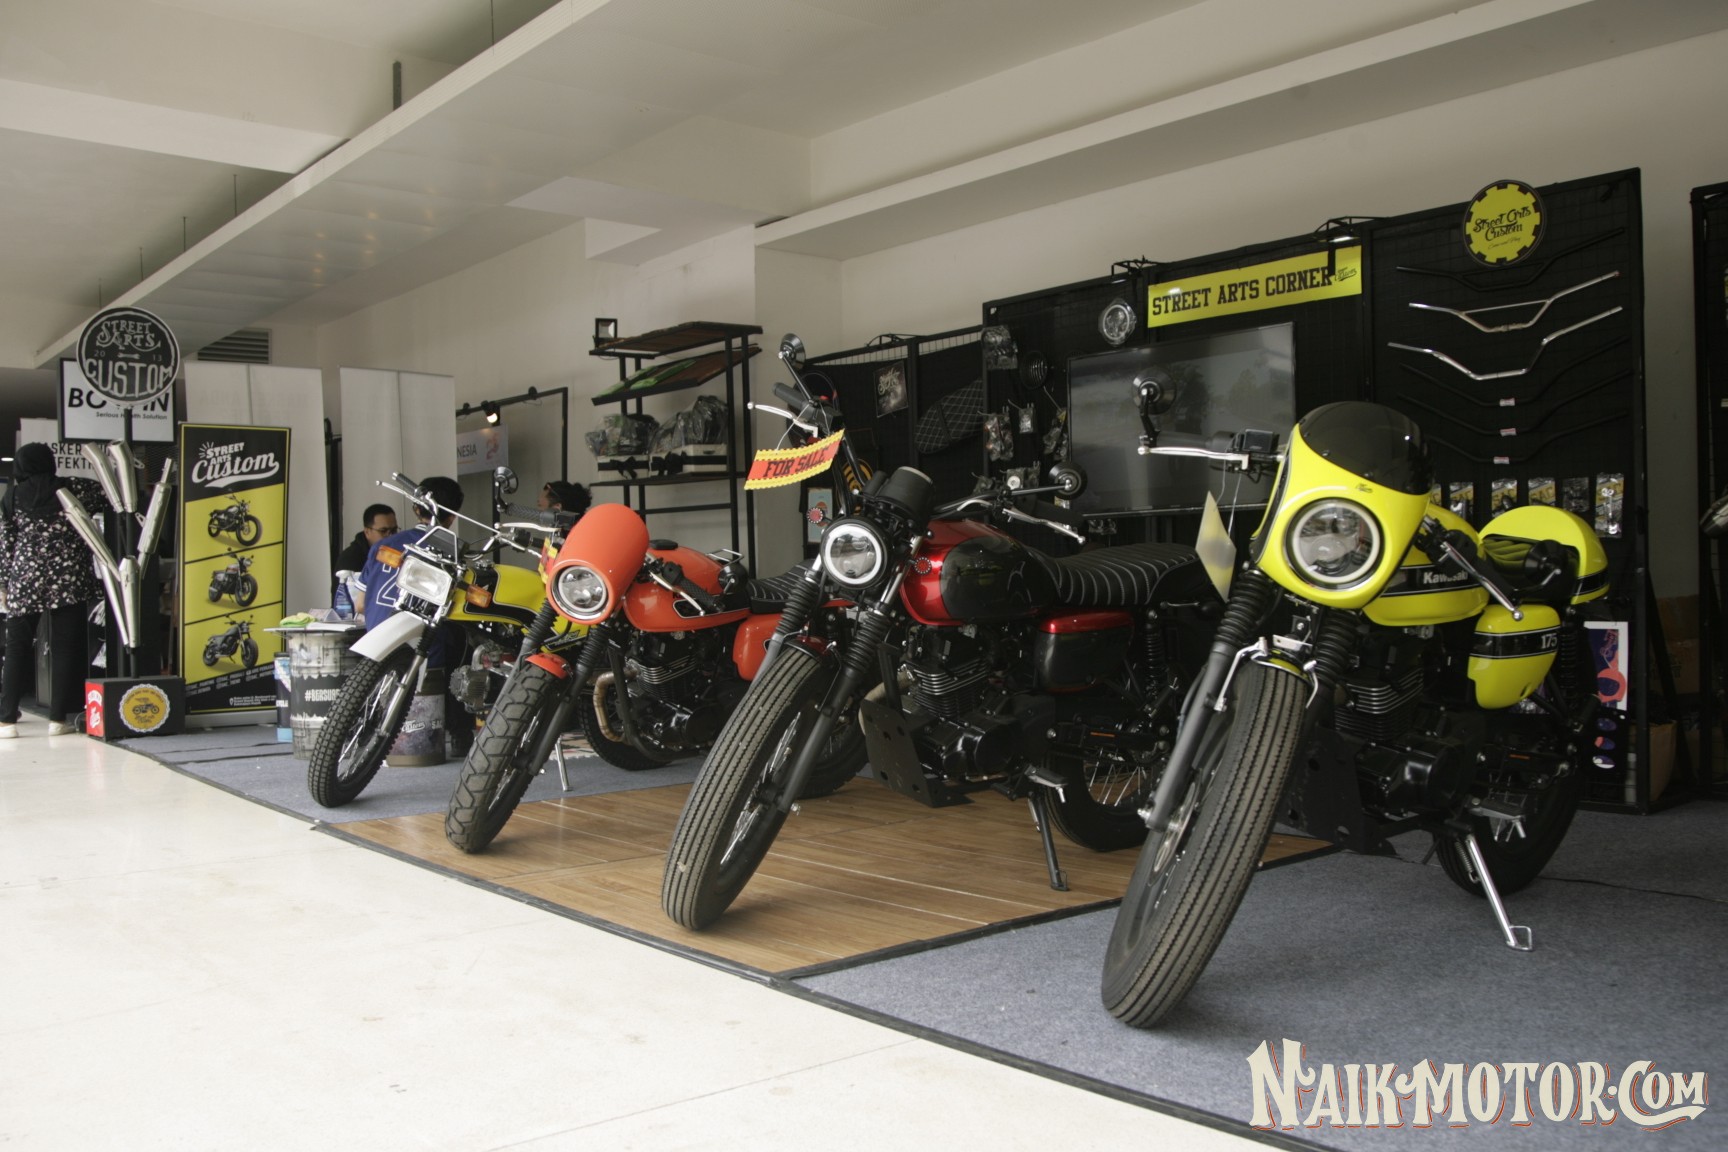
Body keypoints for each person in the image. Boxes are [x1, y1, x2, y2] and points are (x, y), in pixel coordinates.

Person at [0, 445, 104, 737]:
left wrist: (4, 584)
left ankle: (6, 720)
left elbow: (7, 544)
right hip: (68, 577)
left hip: (26, 579)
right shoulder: (74, 489)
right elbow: (110, 497)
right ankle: (58, 719)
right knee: (64, 647)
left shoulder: (12, 497)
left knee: (17, 647)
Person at [334, 503, 398, 575]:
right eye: (383, 531)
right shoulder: (350, 559)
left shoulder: (398, 551)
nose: (391, 536)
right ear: (367, 532)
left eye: (394, 530)